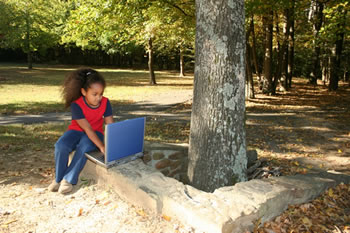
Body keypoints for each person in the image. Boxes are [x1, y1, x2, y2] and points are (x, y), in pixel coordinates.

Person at [48, 68, 113, 194]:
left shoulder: (105, 102)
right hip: (77, 130)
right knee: (61, 145)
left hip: (96, 132)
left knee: (85, 146)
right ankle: (58, 178)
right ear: (83, 92)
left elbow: (110, 125)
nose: (98, 98)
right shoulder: (76, 105)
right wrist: (101, 146)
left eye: (101, 93)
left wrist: (109, 144)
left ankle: (68, 179)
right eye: (94, 94)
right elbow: (86, 128)